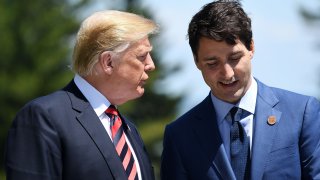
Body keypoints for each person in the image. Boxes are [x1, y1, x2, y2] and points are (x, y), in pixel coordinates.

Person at [160, 0, 320, 179]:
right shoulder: (180, 136)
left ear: (251, 47)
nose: (227, 73)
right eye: (212, 63)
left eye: (234, 58)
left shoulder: (302, 113)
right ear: (197, 61)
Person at [5, 10, 158, 180]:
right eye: (142, 56)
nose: (151, 65)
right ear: (108, 62)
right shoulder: (44, 117)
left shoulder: (129, 129)